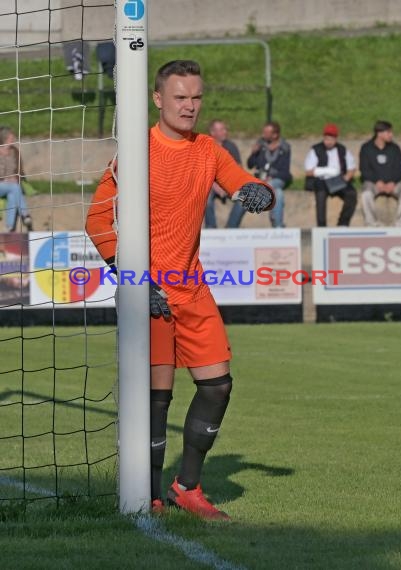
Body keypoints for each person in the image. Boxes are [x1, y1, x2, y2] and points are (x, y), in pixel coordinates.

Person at [86, 60, 274, 520]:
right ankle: (148, 493)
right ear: (157, 100)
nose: (189, 106)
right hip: (146, 291)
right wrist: (134, 280)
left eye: (196, 98)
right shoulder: (134, 151)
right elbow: (96, 221)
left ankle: (186, 486)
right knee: (157, 396)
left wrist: (259, 192)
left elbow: (243, 181)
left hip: (193, 288)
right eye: (180, 98)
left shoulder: (208, 148)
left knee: (218, 385)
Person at [360, 120, 401, 226]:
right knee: (366, 195)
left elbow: (399, 168)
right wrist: (377, 182)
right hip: (373, 183)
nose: (391, 135)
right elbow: (364, 169)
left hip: (394, 183)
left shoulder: (395, 148)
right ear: (379, 133)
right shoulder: (366, 148)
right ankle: (372, 224)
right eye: (388, 132)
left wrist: (393, 182)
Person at [304, 123, 357, 227]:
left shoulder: (342, 150)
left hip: (337, 179)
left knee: (351, 194)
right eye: (326, 139)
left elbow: (352, 168)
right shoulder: (316, 149)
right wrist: (326, 171)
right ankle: (321, 226)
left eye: (331, 139)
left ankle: (343, 223)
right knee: (320, 194)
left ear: (336, 139)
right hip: (321, 180)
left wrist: (346, 178)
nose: (328, 142)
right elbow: (308, 171)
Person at [241, 121, 292, 228]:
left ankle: (277, 225)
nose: (263, 135)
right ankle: (278, 225)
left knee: (272, 186)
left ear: (275, 135)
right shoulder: (260, 145)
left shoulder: (285, 147)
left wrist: (271, 177)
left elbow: (285, 171)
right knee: (278, 193)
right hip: (261, 179)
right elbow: (250, 165)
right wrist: (253, 153)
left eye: (266, 133)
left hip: (277, 179)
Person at [204, 119, 245, 228]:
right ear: (212, 133)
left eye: (225, 129)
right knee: (205, 197)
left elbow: (239, 170)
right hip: (211, 184)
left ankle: (230, 228)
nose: (225, 132)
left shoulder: (231, 146)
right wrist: (216, 186)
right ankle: (211, 228)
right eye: (221, 130)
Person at [0, 126, 33, 232]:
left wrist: (16, 177)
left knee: (13, 196)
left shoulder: (14, 151)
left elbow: (19, 169)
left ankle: (10, 227)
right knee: (14, 188)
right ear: (5, 138)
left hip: (11, 185)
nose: (13, 138)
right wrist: (5, 179)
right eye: (11, 136)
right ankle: (25, 215)